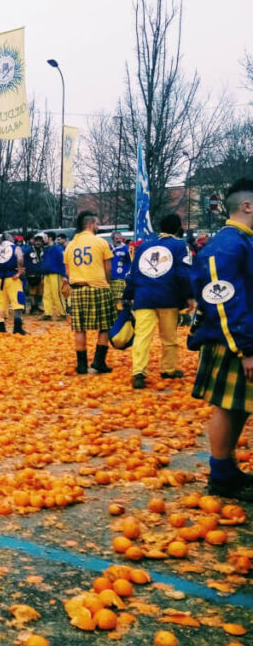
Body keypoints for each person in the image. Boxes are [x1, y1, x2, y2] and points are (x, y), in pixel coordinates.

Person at [189, 179, 253, 500]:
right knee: (228, 407)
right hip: (233, 339)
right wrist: (245, 348)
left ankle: (227, 471)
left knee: (239, 407)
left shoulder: (241, 241)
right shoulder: (229, 243)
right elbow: (224, 298)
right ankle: (221, 477)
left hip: (240, 336)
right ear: (247, 206)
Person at [124, 213, 194, 389]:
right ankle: (168, 369)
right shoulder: (180, 246)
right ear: (178, 228)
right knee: (169, 337)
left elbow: (133, 273)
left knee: (142, 336)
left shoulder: (143, 247)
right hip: (168, 297)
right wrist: (189, 296)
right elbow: (183, 274)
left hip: (143, 297)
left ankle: (138, 372)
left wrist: (128, 295)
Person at [65, 212, 116, 374]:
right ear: (92, 224)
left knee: (79, 328)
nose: (98, 227)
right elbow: (108, 268)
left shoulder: (70, 245)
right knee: (105, 326)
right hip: (99, 287)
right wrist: (108, 283)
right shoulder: (101, 242)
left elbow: (68, 271)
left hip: (78, 289)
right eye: (98, 224)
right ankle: (99, 361)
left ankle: (81, 365)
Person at [0, 236, 27, 335]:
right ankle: (17, 327)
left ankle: (1, 326)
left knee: (1, 303)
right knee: (17, 301)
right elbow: (20, 259)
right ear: (11, 240)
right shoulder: (16, 248)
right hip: (13, 278)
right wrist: (20, 272)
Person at [41, 233, 68, 321]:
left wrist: (64, 275)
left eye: (45, 237)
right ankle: (47, 313)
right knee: (46, 294)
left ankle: (63, 313)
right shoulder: (46, 249)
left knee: (57, 294)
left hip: (55, 274)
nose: (43, 239)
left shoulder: (57, 249)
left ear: (50, 238)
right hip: (47, 274)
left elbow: (63, 262)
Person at [24, 235, 45, 314]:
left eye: (40, 241)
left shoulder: (43, 250)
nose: (38, 243)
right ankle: (33, 307)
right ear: (33, 241)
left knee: (40, 292)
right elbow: (24, 261)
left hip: (41, 274)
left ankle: (37, 306)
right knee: (32, 291)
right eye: (37, 241)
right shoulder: (28, 251)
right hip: (31, 274)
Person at [110, 232, 131, 305]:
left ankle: (121, 314)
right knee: (111, 301)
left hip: (121, 279)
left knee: (119, 301)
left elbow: (132, 260)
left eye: (120, 238)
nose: (119, 240)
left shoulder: (127, 249)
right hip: (109, 279)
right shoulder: (108, 248)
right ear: (112, 239)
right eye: (116, 239)